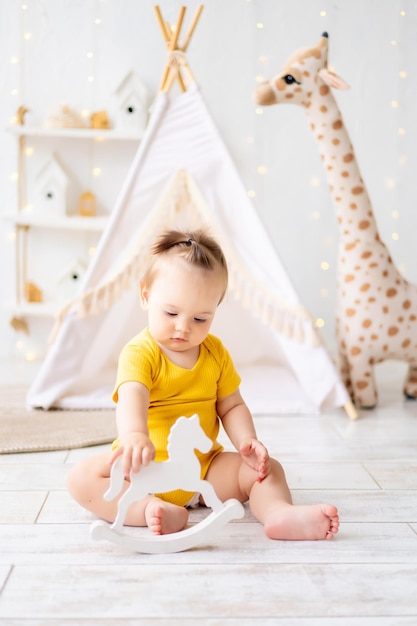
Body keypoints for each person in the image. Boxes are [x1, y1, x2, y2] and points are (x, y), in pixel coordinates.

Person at [67, 228, 339, 541]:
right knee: (82, 478)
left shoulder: (216, 353)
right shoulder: (140, 352)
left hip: (203, 470)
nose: (183, 327)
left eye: (200, 319)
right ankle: (148, 509)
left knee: (266, 470)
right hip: (144, 468)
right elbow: (133, 395)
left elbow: (232, 404)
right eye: (171, 312)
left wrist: (247, 441)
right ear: (146, 295)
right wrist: (134, 435)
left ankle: (278, 512)